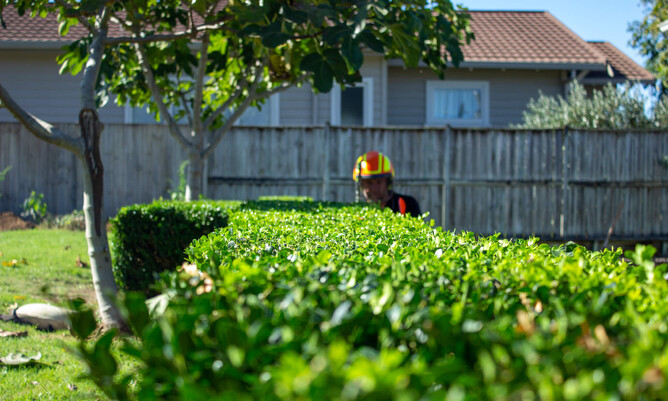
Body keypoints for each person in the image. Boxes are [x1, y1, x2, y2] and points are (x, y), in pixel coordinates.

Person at [352, 150, 422, 217]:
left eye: (379, 182)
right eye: (369, 183)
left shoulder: (408, 204)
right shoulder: (358, 211)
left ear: (388, 182)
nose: (374, 188)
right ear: (361, 184)